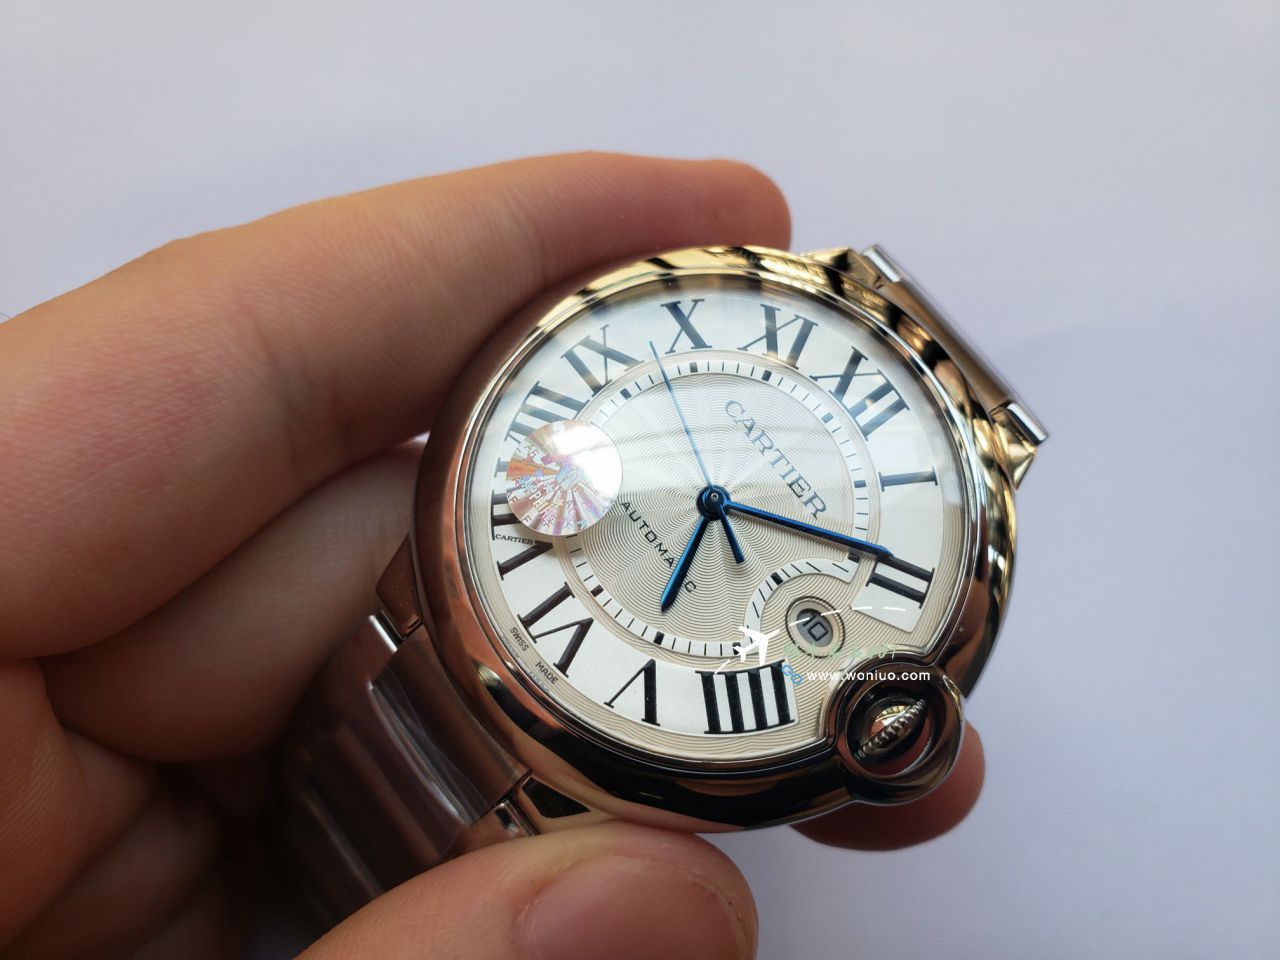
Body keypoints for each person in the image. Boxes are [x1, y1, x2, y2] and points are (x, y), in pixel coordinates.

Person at [0, 152, 984, 960]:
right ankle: (300, 843)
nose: (714, 496)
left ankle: (312, 866)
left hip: (517, 759)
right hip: (425, 612)